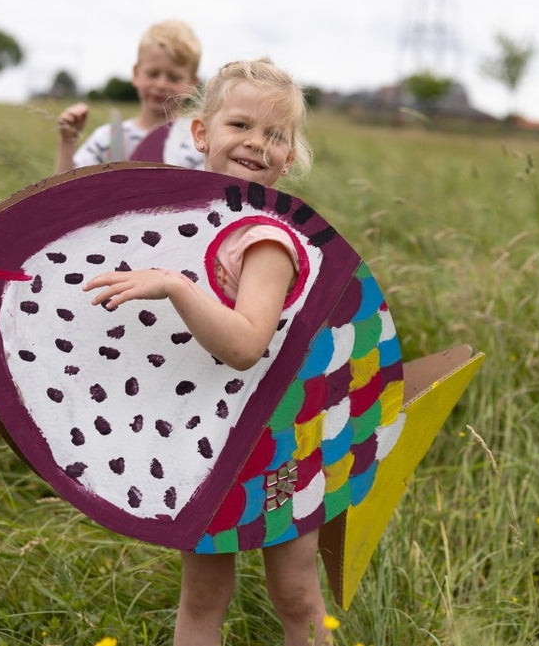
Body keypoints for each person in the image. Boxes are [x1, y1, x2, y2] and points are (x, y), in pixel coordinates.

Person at [82, 58, 328, 646]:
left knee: (295, 593)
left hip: (280, 440)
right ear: (201, 133)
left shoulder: (267, 240)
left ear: (289, 157)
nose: (257, 143)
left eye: (275, 135)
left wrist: (175, 286)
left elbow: (244, 346)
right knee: (201, 595)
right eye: (240, 125)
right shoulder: (190, 224)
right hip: (207, 438)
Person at [54, 18, 205, 174]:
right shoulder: (107, 139)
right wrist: (67, 142)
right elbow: (68, 188)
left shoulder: (198, 143)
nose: (161, 85)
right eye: (153, 74)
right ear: (136, 74)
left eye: (174, 78)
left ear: (193, 84)